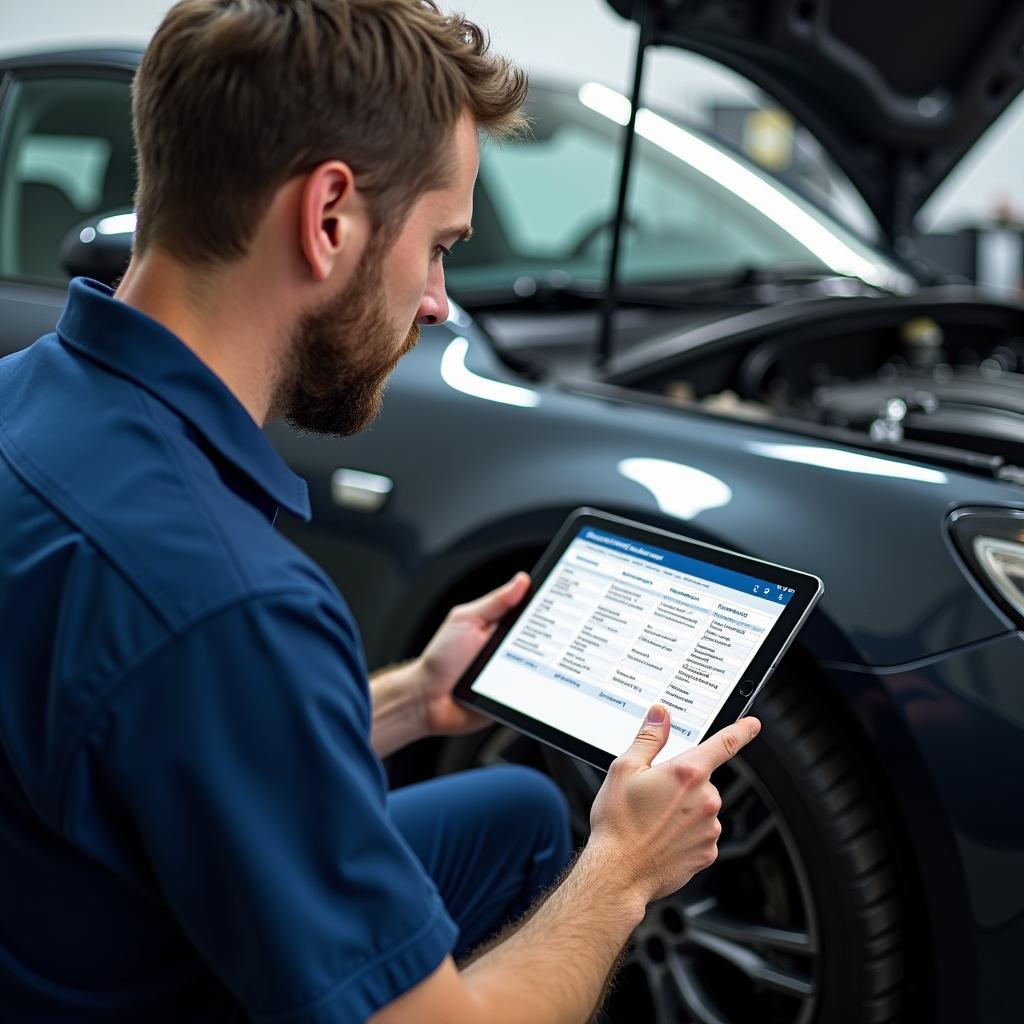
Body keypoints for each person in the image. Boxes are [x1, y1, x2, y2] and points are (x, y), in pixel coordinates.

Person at [0, 1, 761, 1021]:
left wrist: (411, 698)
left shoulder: (24, 402)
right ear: (328, 219)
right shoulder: (232, 603)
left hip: (55, 920)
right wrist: (623, 869)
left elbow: (155, 729)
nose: (439, 300)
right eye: (440, 245)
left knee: (524, 810)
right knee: (571, 860)